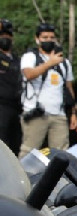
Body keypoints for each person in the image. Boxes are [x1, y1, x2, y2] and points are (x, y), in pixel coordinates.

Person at [19, 22, 74, 154]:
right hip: (36, 112)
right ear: (37, 39)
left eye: (51, 37)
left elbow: (68, 88)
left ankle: (60, 175)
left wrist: (73, 113)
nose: (49, 40)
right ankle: (23, 175)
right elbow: (29, 74)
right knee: (29, 151)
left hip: (59, 114)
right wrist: (49, 63)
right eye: (45, 37)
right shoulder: (30, 57)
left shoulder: (64, 63)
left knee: (61, 152)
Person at [0, 19, 21, 155]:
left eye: (8, 35)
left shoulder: (18, 59)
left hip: (17, 107)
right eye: (2, 35)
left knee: (15, 145)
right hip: (1, 107)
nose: (5, 38)